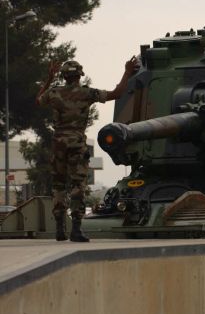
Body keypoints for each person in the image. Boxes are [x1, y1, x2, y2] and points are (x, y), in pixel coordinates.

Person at [36, 57, 139, 242]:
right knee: (77, 185)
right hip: (76, 142)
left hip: (58, 142)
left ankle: (59, 228)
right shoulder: (87, 93)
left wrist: (49, 78)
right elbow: (117, 93)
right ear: (79, 76)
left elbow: (39, 100)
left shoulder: (53, 92)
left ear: (64, 76)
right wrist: (127, 72)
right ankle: (76, 229)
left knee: (59, 185)